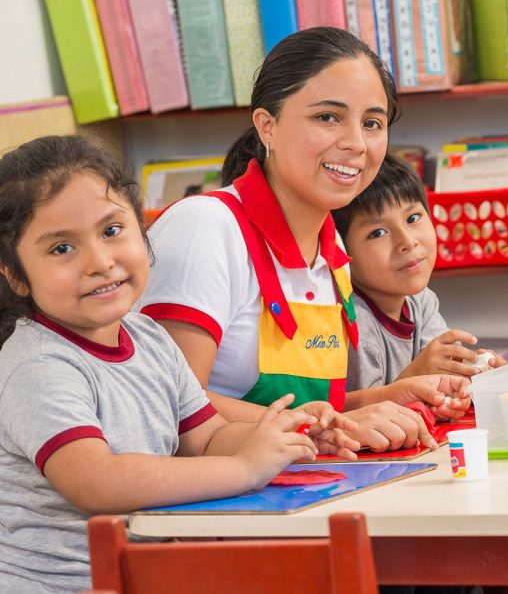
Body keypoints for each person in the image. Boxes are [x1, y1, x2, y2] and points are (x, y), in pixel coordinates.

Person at [0, 136, 362, 593]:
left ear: (142, 227)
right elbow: (97, 481)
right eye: (61, 249)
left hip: (150, 575)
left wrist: (282, 433)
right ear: (13, 272)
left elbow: (205, 438)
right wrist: (244, 470)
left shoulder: (148, 338)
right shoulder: (38, 364)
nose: (100, 262)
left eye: (112, 231)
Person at [138, 26, 439, 451]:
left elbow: (313, 410)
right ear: (267, 127)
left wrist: (387, 396)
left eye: (372, 123)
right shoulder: (205, 227)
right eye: (327, 117)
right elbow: (169, 402)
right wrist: (317, 428)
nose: (355, 143)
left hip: (295, 486)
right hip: (208, 502)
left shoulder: (332, 253)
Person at [331, 154, 506, 389]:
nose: (407, 241)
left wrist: (480, 375)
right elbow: (358, 416)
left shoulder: (420, 301)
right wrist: (417, 374)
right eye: (378, 233)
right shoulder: (353, 322)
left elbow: (443, 376)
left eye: (413, 218)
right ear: (340, 251)